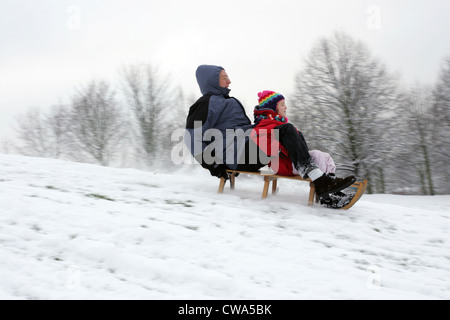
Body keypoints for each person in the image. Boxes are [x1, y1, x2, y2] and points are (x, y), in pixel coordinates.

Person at [185, 65, 355, 203]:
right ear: (212, 81)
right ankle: (321, 182)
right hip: (236, 155)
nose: (229, 80)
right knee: (286, 131)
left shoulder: (228, 101)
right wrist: (214, 166)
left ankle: (325, 189)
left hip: (245, 147)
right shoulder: (205, 104)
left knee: (293, 133)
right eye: (224, 78)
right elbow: (191, 138)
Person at [251, 90, 354, 207]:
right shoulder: (261, 129)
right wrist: (288, 149)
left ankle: (332, 191)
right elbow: (269, 151)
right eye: (282, 104)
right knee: (291, 131)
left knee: (322, 156)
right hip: (280, 164)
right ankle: (326, 194)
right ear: (273, 108)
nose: (286, 107)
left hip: (292, 162)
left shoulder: (281, 126)